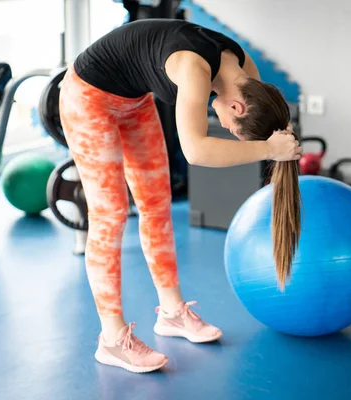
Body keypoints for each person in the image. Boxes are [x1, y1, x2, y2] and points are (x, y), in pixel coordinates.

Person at [59, 18, 303, 374]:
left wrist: (281, 133)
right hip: (87, 97)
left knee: (157, 204)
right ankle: (111, 340)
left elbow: (268, 109)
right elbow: (196, 151)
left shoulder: (245, 72)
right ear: (236, 109)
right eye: (236, 132)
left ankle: (172, 314)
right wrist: (267, 149)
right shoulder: (193, 70)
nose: (231, 133)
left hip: (133, 100)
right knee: (110, 213)